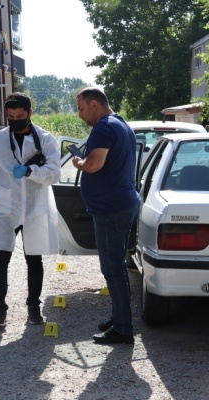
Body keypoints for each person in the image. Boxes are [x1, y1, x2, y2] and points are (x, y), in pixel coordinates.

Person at [0, 92, 61, 327]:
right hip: (6, 205)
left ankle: (33, 307)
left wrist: (30, 172)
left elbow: (54, 173)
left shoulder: (45, 140)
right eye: (11, 116)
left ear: (30, 114)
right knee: (0, 257)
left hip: (35, 205)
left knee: (33, 257)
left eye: (20, 115)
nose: (15, 120)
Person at [72, 87, 140, 345]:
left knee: (112, 269)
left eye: (80, 108)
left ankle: (123, 329)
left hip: (112, 209)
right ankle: (119, 317)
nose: (80, 115)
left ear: (93, 104)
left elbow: (93, 164)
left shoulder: (103, 127)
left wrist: (78, 162)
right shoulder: (121, 123)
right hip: (123, 203)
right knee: (118, 268)